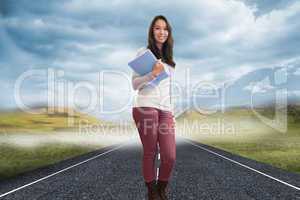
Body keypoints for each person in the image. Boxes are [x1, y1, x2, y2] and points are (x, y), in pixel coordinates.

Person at [131, 15, 176, 200]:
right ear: (152, 31)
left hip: (165, 110)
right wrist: (152, 74)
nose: (161, 32)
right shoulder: (143, 53)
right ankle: (152, 192)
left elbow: (167, 89)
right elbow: (135, 85)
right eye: (157, 28)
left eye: (165, 29)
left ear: (169, 33)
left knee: (169, 155)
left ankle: (161, 187)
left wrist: (171, 111)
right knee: (151, 152)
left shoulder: (171, 61)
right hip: (145, 107)